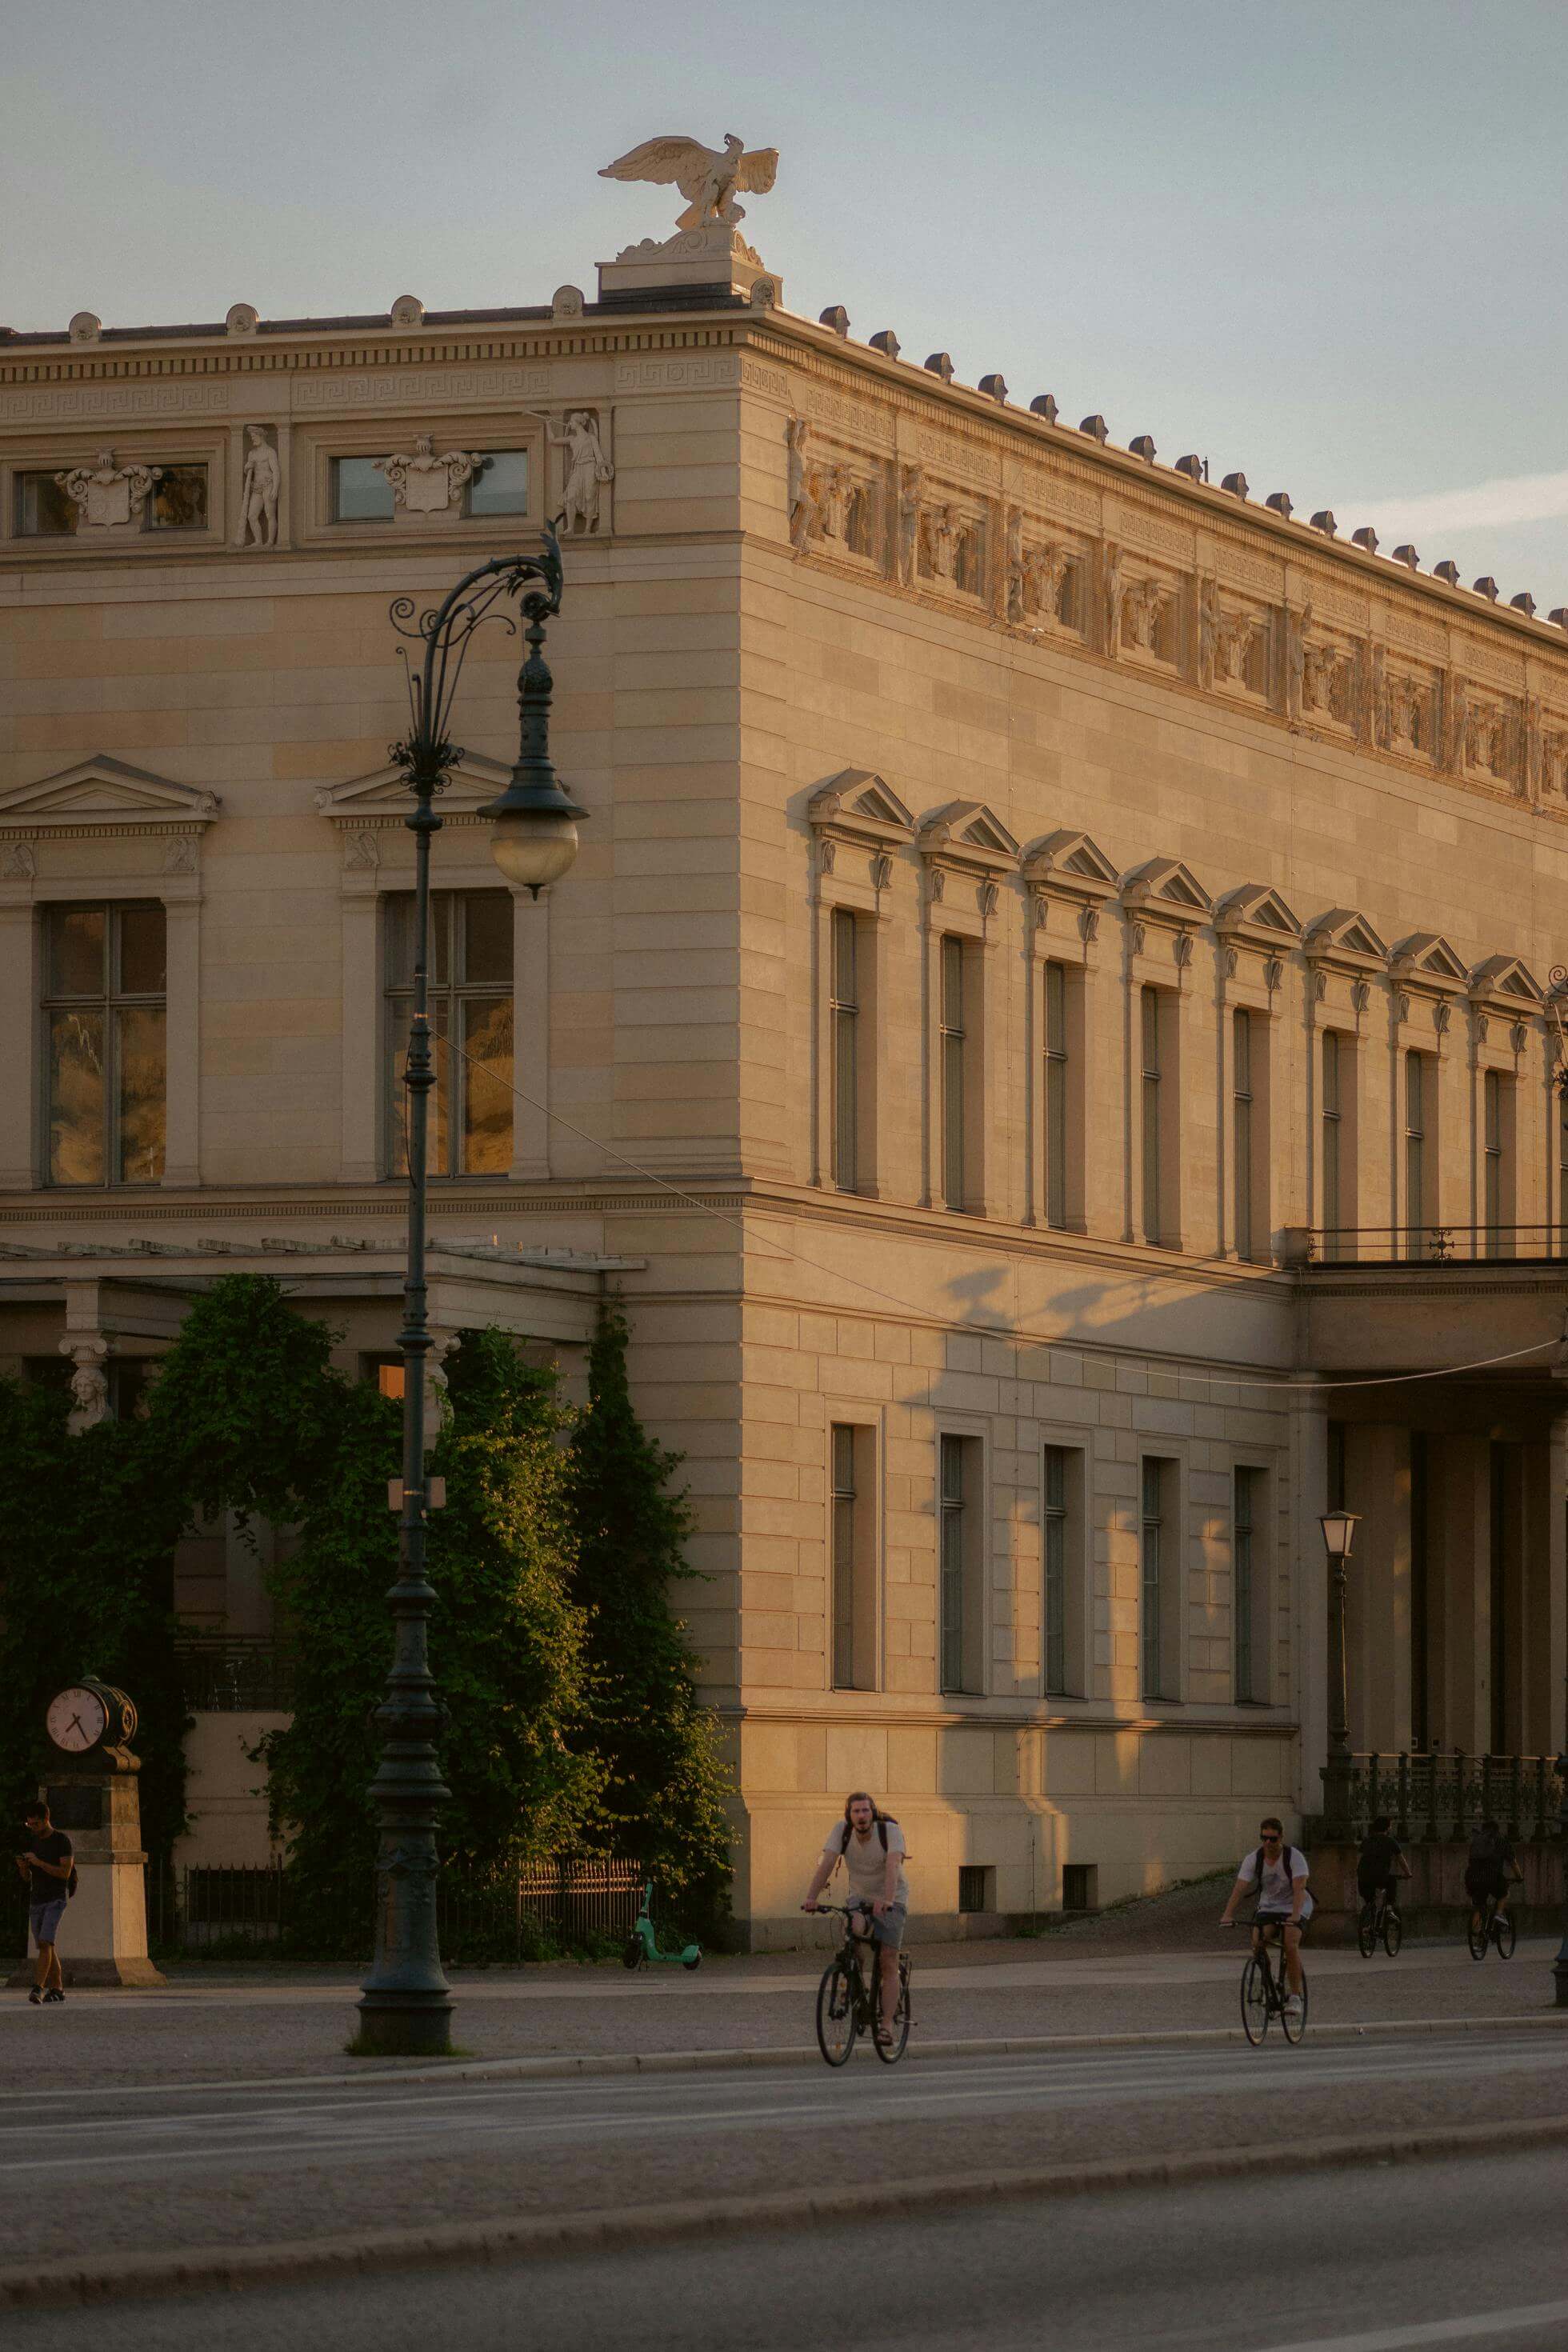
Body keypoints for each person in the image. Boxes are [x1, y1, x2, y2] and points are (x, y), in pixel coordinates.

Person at [802, 1791, 908, 2046]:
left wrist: (888, 1900)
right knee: (851, 1935)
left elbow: (893, 1865)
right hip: (859, 1899)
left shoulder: (890, 1831)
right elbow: (827, 1864)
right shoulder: (842, 1831)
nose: (861, 1816)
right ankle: (855, 1985)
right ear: (849, 1816)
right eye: (856, 1811)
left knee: (887, 1960)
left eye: (865, 1810)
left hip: (892, 1900)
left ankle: (886, 2026)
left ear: (873, 1813)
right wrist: (811, 1897)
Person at [1220, 1816, 1311, 2014]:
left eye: (1273, 1839)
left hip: (1295, 1905)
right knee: (1257, 1943)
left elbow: (1299, 1888)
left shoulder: (1294, 1857)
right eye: (1264, 1838)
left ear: (1281, 1838)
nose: (1268, 1843)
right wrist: (1228, 1914)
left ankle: (1295, 1996)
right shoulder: (1254, 1858)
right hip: (1269, 1907)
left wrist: (1295, 1916)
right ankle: (1270, 1983)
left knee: (1290, 1943)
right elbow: (1240, 1887)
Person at [15, 1800, 73, 2006]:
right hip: (37, 1899)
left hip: (55, 1899)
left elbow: (65, 1873)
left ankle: (38, 1987)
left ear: (46, 1819)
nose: (33, 1827)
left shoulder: (61, 1841)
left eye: (36, 1824)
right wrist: (23, 1868)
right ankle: (58, 1989)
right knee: (46, 1945)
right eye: (29, 1824)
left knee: (45, 1942)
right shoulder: (33, 1842)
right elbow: (27, 1878)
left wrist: (39, 1862)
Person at [1465, 1818, 1516, 1938]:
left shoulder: (1477, 1840)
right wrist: (1519, 1877)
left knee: (1479, 1904)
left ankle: (1476, 1933)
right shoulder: (1502, 1840)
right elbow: (1513, 1862)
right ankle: (1499, 1914)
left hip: (1473, 1877)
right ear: (1497, 1830)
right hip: (1492, 1877)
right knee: (1504, 1894)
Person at [1357, 1814, 1411, 1920]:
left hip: (1363, 1877)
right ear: (1387, 1828)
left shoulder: (1367, 1841)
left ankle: (1368, 1914)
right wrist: (1408, 1873)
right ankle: (1389, 1910)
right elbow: (1401, 1860)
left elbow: (1360, 1858)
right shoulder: (1390, 1841)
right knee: (1392, 1882)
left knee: (1369, 1899)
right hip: (1381, 1876)